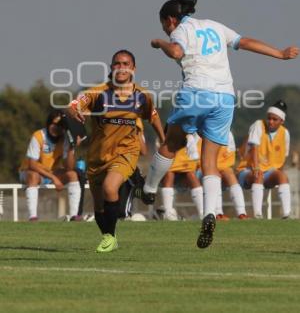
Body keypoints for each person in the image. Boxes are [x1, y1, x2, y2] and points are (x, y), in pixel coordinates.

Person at [140, 0, 298, 248]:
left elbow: (176, 51)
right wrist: (279, 54)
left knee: (171, 142)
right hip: (225, 98)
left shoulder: (181, 30)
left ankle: (148, 188)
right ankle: (209, 214)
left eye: (163, 25)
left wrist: (160, 42)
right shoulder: (215, 25)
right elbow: (244, 41)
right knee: (210, 160)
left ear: (170, 19)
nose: (165, 30)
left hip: (196, 93)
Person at [68, 49, 165, 253]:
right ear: (111, 68)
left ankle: (110, 238)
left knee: (110, 188)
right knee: (99, 207)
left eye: (126, 63)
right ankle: (108, 236)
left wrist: (164, 141)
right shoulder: (99, 93)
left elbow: (153, 116)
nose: (121, 67)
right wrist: (74, 109)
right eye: (117, 64)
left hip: (126, 152)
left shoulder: (142, 96)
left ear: (133, 69)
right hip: (97, 156)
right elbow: (76, 103)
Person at [19, 110, 81, 221]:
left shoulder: (66, 139)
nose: (56, 127)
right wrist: (54, 179)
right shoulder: (38, 136)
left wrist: (72, 147)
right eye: (53, 124)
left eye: (60, 125)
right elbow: (32, 165)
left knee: (73, 174)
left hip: (51, 172)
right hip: (29, 172)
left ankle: (74, 216)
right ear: (48, 123)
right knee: (33, 175)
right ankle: (33, 217)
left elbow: (69, 167)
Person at [236, 100, 291, 218]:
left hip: (269, 171)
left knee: (283, 177)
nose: (270, 121)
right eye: (269, 118)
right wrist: (256, 168)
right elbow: (254, 148)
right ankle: (258, 215)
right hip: (247, 170)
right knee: (258, 175)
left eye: (274, 119)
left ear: (282, 121)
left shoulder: (285, 133)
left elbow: (283, 157)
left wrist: (277, 174)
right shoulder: (258, 125)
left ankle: (286, 214)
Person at [161, 126, 203, 220]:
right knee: (169, 173)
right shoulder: (172, 127)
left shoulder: (198, 131)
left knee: (191, 175)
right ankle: (168, 212)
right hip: (170, 169)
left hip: (189, 169)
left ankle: (202, 212)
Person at [213, 131, 248, 220]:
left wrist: (221, 167)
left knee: (229, 173)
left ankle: (242, 213)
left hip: (221, 167)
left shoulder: (227, 133)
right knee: (214, 174)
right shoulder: (202, 130)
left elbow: (230, 157)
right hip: (203, 169)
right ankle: (218, 213)